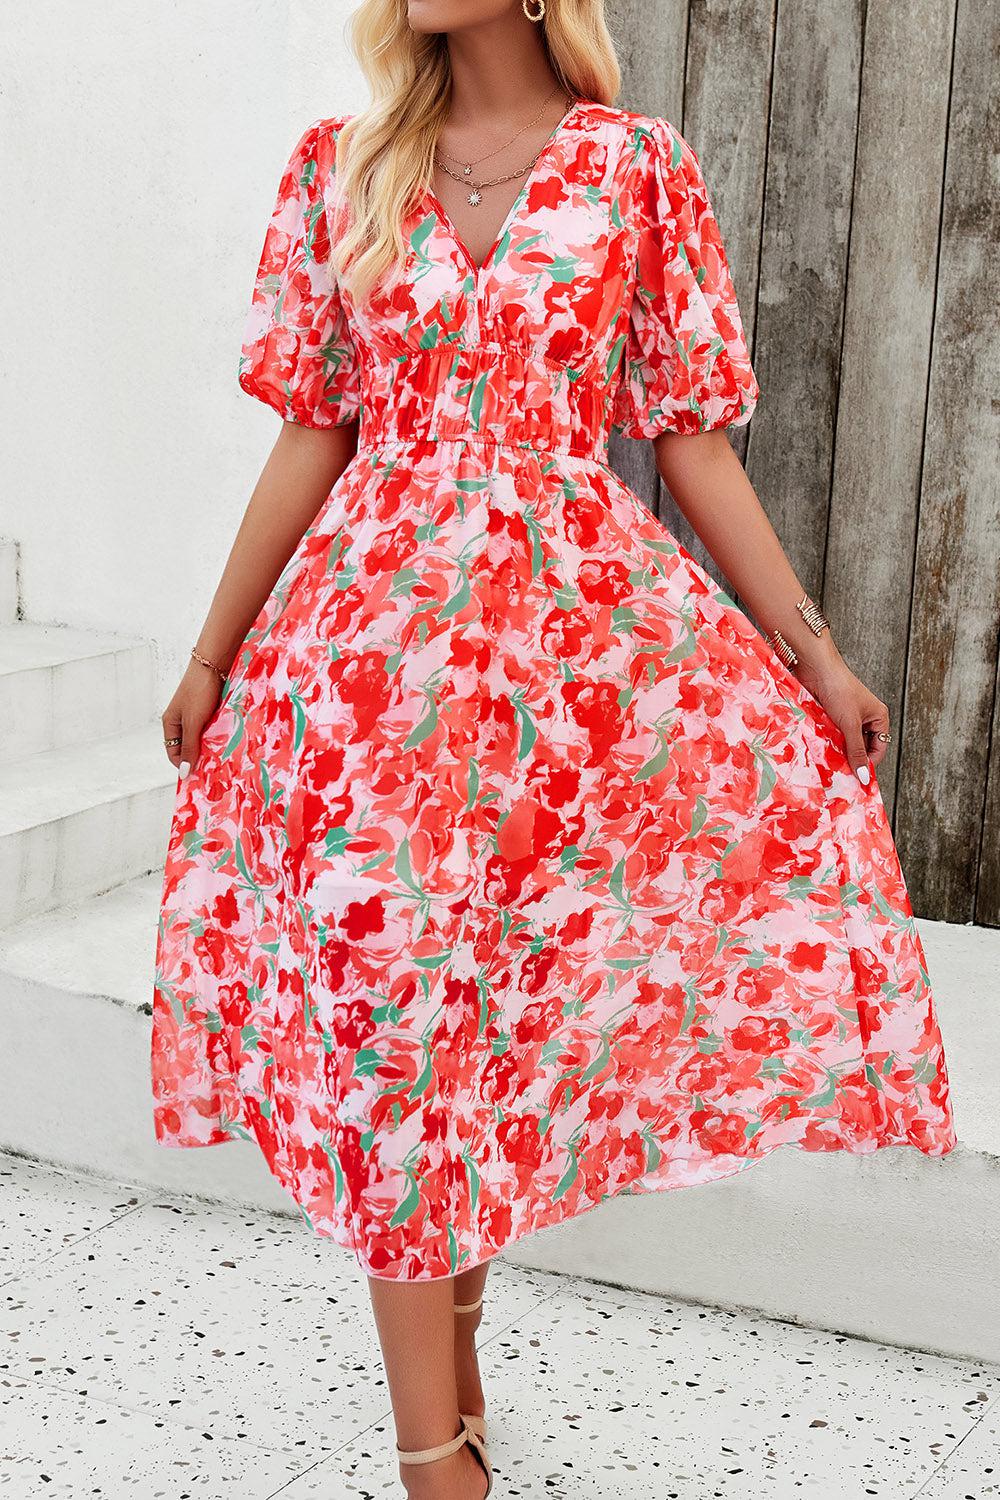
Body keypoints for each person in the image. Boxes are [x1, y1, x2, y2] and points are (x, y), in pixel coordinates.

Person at [151, 2, 957, 1495]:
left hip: (565, 672)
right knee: (395, 1026)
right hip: (368, 670)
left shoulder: (635, 168)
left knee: (495, 1018)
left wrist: (816, 651)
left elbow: (691, 441)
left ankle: (458, 1353)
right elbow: (314, 429)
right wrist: (213, 652)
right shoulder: (343, 165)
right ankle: (434, 1462)